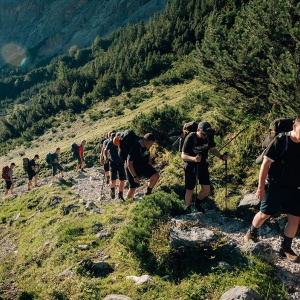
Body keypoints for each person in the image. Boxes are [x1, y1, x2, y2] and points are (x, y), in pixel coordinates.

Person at [244, 115, 300, 262]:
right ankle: (251, 232)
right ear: (295, 127)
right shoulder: (280, 141)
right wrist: (260, 187)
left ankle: (286, 248)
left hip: (295, 187)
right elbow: (265, 165)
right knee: (265, 214)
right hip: (276, 185)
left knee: (295, 218)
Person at [181, 121, 229, 213]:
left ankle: (197, 203)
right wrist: (194, 159)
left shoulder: (208, 136)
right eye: (203, 134)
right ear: (198, 130)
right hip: (190, 165)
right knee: (190, 189)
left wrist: (221, 157)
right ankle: (187, 209)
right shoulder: (190, 137)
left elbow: (213, 150)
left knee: (206, 188)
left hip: (202, 164)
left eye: (207, 134)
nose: (205, 136)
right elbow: (183, 156)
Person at [126, 133, 159, 199]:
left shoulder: (146, 146)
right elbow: (129, 163)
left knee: (155, 176)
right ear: (145, 141)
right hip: (133, 168)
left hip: (143, 166)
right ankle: (127, 203)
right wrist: (135, 176)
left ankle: (148, 193)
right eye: (150, 144)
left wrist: (150, 162)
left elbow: (147, 154)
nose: (150, 146)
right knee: (133, 187)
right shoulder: (135, 147)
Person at [103, 132, 126, 200]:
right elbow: (105, 150)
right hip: (113, 163)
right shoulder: (111, 142)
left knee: (122, 180)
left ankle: (120, 195)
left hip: (121, 163)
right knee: (113, 181)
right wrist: (105, 157)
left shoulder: (123, 142)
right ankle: (112, 189)